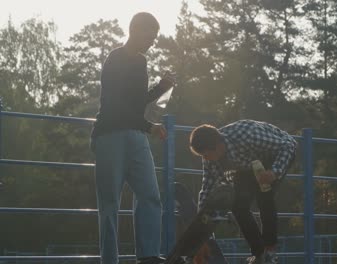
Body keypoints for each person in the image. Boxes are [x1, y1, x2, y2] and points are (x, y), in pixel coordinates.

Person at [90, 12, 174, 264]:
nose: (154, 41)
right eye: (152, 35)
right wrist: (148, 126)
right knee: (109, 205)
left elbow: (136, 103)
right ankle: (109, 260)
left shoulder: (141, 62)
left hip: (136, 136)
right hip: (110, 136)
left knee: (150, 194)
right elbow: (115, 105)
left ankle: (148, 255)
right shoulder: (115, 59)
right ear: (136, 30)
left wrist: (161, 89)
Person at [189, 120, 297, 264]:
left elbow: (288, 145)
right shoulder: (210, 158)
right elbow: (206, 190)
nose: (205, 159)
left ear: (218, 147)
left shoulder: (247, 135)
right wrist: (201, 232)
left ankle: (269, 250)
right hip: (246, 165)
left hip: (274, 155)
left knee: (264, 197)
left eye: (206, 155)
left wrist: (274, 172)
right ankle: (259, 253)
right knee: (238, 205)